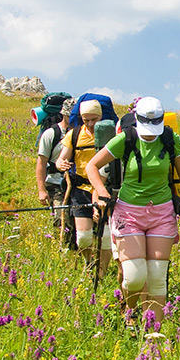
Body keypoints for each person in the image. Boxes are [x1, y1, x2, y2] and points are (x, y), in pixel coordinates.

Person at [86, 96, 180, 329]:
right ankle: (131, 309)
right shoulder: (125, 139)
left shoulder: (170, 139)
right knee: (134, 277)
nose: (150, 134)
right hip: (129, 212)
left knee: (157, 277)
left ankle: (154, 333)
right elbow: (91, 166)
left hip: (162, 212)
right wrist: (102, 192)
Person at [55, 99, 112, 276]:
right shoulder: (74, 135)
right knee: (84, 237)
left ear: (101, 117)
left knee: (105, 236)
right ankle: (89, 264)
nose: (90, 124)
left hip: (104, 189)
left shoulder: (109, 134)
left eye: (94, 119)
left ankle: (101, 272)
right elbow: (60, 160)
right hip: (80, 189)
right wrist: (61, 164)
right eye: (86, 120)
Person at [35, 97, 73, 229]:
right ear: (63, 113)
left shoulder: (81, 133)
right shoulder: (50, 134)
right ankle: (62, 247)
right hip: (55, 183)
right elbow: (41, 163)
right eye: (70, 115)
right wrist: (41, 190)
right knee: (62, 220)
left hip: (75, 183)